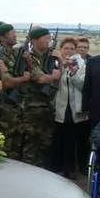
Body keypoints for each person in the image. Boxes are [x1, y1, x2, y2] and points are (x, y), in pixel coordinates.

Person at [17, 27, 60, 168]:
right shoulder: (28, 57)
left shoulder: (51, 56)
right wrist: (53, 76)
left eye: (50, 38)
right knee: (31, 145)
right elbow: (39, 78)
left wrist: (59, 59)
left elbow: (61, 75)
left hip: (48, 107)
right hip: (32, 108)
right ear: (34, 40)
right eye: (45, 38)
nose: (49, 41)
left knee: (45, 144)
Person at [51, 37, 87, 177]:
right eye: (66, 48)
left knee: (71, 138)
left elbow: (82, 84)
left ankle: (69, 169)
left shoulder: (81, 63)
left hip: (74, 106)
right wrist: (61, 65)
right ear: (61, 49)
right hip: (58, 105)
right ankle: (55, 166)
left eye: (72, 48)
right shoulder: (54, 62)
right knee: (58, 136)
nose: (69, 51)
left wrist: (72, 72)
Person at [0, 23, 31, 160]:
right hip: (6, 106)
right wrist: (23, 78)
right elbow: (7, 82)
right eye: (11, 33)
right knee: (6, 144)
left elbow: (30, 74)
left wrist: (28, 62)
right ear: (2, 38)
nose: (15, 35)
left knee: (18, 143)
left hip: (19, 105)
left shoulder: (17, 53)